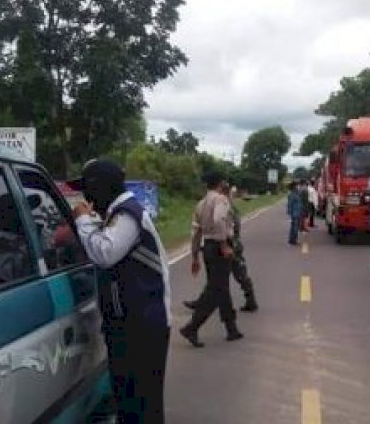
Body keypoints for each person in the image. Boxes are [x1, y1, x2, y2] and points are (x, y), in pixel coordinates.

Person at [68, 159, 170, 424]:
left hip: (143, 326)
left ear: (99, 188)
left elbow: (105, 253)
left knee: (141, 403)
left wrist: (83, 221)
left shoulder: (127, 215)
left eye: (86, 191)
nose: (85, 199)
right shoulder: (119, 214)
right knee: (129, 400)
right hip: (132, 322)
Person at [179, 172, 244, 347]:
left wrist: (194, 257)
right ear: (220, 183)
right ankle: (192, 327)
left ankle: (231, 328)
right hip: (218, 247)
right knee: (216, 290)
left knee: (221, 288)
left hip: (207, 247)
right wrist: (224, 244)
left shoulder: (201, 204)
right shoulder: (221, 200)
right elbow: (218, 219)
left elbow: (195, 233)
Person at [184, 186, 257, 312]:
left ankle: (249, 300)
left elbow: (233, 226)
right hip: (223, 243)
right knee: (217, 278)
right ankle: (206, 302)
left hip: (230, 243)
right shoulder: (219, 205)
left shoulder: (226, 206)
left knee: (238, 274)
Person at [287, 180, 303, 245]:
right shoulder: (292, 194)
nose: (298, 186)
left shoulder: (297, 193)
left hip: (298, 212)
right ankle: (293, 240)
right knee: (295, 227)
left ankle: (292, 240)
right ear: (294, 186)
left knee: (294, 226)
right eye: (297, 185)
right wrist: (290, 212)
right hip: (295, 213)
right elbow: (290, 204)